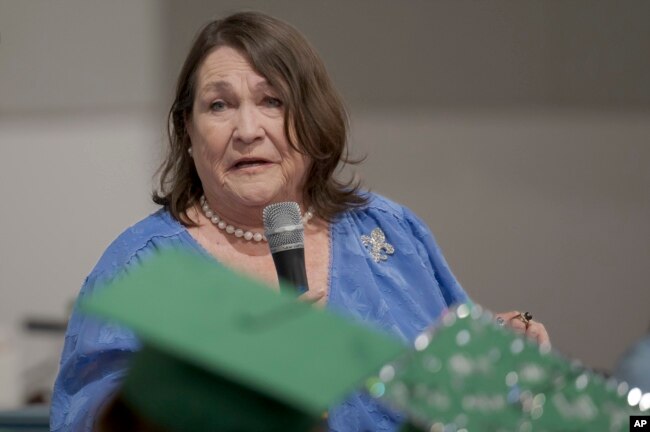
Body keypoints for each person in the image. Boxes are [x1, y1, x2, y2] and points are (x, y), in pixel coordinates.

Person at [51, 11, 549, 432]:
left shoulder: (390, 231)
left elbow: (463, 396)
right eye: (219, 105)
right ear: (187, 131)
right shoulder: (139, 270)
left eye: (272, 101)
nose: (248, 130)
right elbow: (89, 420)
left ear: (310, 118)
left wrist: (502, 356)